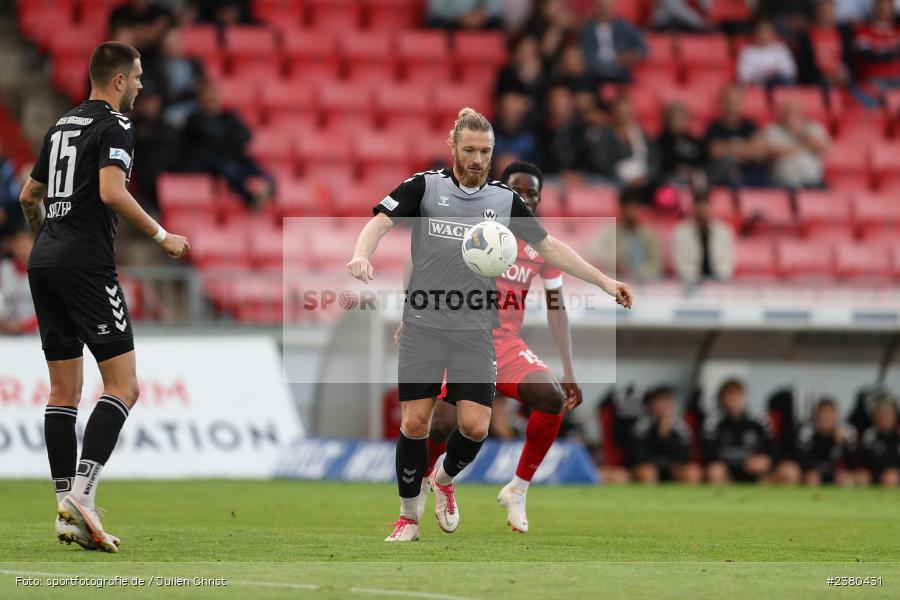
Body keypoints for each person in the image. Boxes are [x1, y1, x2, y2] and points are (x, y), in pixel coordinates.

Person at [348, 107, 632, 542]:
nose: (478, 158)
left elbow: (551, 247)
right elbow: (380, 224)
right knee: (417, 423)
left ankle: (443, 479)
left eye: (485, 150)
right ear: (453, 146)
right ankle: (408, 518)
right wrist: (361, 254)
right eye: (470, 149)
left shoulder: (504, 201)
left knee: (476, 427)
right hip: (425, 324)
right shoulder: (424, 187)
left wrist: (605, 281)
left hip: (476, 329)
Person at [18, 41, 189, 552]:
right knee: (125, 386)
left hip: (44, 260)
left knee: (62, 393)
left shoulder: (62, 124)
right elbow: (113, 192)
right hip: (86, 267)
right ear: (117, 80)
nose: (140, 85)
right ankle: (83, 497)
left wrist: (49, 238)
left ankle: (65, 507)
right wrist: (164, 237)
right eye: (136, 77)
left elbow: (30, 196)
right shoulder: (115, 127)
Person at [410, 160, 585, 533]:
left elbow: (556, 306)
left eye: (532, 194)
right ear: (500, 193)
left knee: (552, 398)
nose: (524, 199)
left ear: (539, 201)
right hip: (457, 337)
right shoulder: (471, 230)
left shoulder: (541, 245)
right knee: (439, 424)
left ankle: (517, 489)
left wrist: (568, 369)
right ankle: (425, 484)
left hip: (504, 345)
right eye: (516, 192)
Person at [183, 83, 274, 208]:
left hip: (233, 157)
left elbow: (246, 135)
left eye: (213, 99)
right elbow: (211, 135)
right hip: (210, 162)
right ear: (200, 102)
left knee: (261, 172)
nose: (211, 103)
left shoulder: (228, 117)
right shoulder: (194, 119)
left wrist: (228, 137)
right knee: (231, 170)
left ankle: (268, 190)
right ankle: (250, 198)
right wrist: (229, 137)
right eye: (207, 100)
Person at [703, 378, 774, 483]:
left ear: (744, 396)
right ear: (721, 398)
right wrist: (729, 464)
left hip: (753, 469)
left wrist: (765, 460)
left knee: (782, 470)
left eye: (735, 395)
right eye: (728, 395)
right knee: (714, 471)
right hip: (726, 470)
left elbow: (772, 447)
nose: (732, 400)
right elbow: (708, 452)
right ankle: (720, 497)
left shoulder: (759, 420)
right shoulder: (713, 422)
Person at [586, 188, 663, 283]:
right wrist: (614, 262)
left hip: (645, 282)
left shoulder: (648, 234)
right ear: (622, 209)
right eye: (629, 208)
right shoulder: (611, 231)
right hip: (618, 280)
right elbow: (591, 250)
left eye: (635, 208)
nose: (632, 212)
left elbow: (656, 265)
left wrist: (633, 272)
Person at [584, 94, 660, 189]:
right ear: (613, 113)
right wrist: (623, 177)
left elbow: (654, 161)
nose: (624, 116)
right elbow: (600, 161)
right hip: (614, 180)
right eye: (621, 112)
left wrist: (646, 177)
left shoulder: (643, 136)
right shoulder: (603, 135)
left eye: (627, 112)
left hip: (642, 180)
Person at [628, 386, 702, 484]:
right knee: (647, 472)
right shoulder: (640, 426)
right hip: (649, 467)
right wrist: (661, 432)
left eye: (666, 402)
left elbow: (685, 456)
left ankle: (687, 499)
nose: (662, 407)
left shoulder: (681, 427)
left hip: (673, 467)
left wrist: (667, 432)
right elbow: (638, 456)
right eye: (659, 402)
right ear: (650, 405)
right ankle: (649, 499)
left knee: (692, 472)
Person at [705, 85, 771, 187]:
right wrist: (747, 149)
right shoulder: (714, 128)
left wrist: (730, 148)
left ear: (740, 103)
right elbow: (715, 151)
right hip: (728, 177)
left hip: (755, 175)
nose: (731, 107)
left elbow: (760, 151)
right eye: (728, 102)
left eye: (735, 103)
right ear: (721, 104)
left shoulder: (750, 126)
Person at [671, 186, 734, 285]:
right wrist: (694, 281)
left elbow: (728, 261)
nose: (702, 210)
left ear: (711, 207)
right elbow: (681, 263)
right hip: (690, 284)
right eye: (699, 206)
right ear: (693, 207)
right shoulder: (681, 232)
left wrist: (719, 280)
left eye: (705, 205)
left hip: (719, 284)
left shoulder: (724, 231)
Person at [762, 99, 830, 189]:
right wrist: (802, 147)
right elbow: (770, 151)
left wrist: (802, 133)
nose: (790, 117)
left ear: (802, 114)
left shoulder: (814, 127)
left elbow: (822, 148)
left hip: (813, 183)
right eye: (787, 113)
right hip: (783, 184)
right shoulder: (772, 129)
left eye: (794, 113)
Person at [578, 0, 647, 83]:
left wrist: (630, 56)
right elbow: (585, 53)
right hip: (594, 75)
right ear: (596, 8)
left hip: (620, 73)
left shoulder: (624, 27)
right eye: (602, 6)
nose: (605, 9)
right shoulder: (588, 28)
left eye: (608, 6)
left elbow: (643, 48)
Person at [795, 398, 857, 486]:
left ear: (836, 415)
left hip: (836, 473)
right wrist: (813, 470)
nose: (826, 416)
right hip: (813, 471)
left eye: (830, 413)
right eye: (823, 412)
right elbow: (801, 458)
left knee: (847, 480)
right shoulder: (807, 431)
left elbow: (853, 464)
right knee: (811, 478)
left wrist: (843, 444)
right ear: (816, 415)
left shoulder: (846, 432)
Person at [852, 0, 900, 90]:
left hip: (897, 77)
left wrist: (880, 52)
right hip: (873, 78)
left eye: (887, 8)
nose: (884, 11)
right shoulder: (863, 31)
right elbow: (866, 55)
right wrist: (890, 55)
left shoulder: (897, 31)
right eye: (881, 8)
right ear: (874, 9)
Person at [656, 101, 706, 186]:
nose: (679, 122)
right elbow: (662, 162)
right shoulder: (661, 141)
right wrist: (678, 168)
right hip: (672, 176)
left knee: (701, 176)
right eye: (675, 118)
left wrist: (693, 170)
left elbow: (703, 157)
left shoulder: (693, 140)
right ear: (667, 120)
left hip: (695, 174)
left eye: (682, 118)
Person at [737, 20, 798, 86]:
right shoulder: (748, 51)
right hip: (759, 83)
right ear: (755, 34)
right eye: (761, 32)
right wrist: (762, 74)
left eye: (767, 32)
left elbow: (791, 71)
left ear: (773, 34)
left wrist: (775, 72)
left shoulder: (781, 49)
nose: (764, 35)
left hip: (780, 82)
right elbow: (743, 76)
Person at [0, 229, 37, 335]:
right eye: (19, 243)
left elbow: (50, 309)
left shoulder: (42, 271)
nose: (23, 248)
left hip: (35, 337)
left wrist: (23, 327)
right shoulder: (3, 269)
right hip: (5, 335)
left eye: (26, 243)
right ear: (11, 246)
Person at [859, 399, 900, 486]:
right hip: (875, 480)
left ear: (895, 417)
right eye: (881, 414)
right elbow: (865, 463)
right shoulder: (869, 436)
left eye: (888, 414)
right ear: (875, 418)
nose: (884, 418)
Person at [426, 0, 504, 29]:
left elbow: (495, 8)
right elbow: (437, 9)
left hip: (481, 20)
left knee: (498, 22)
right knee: (436, 22)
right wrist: (459, 16)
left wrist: (483, 16)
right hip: (453, 21)